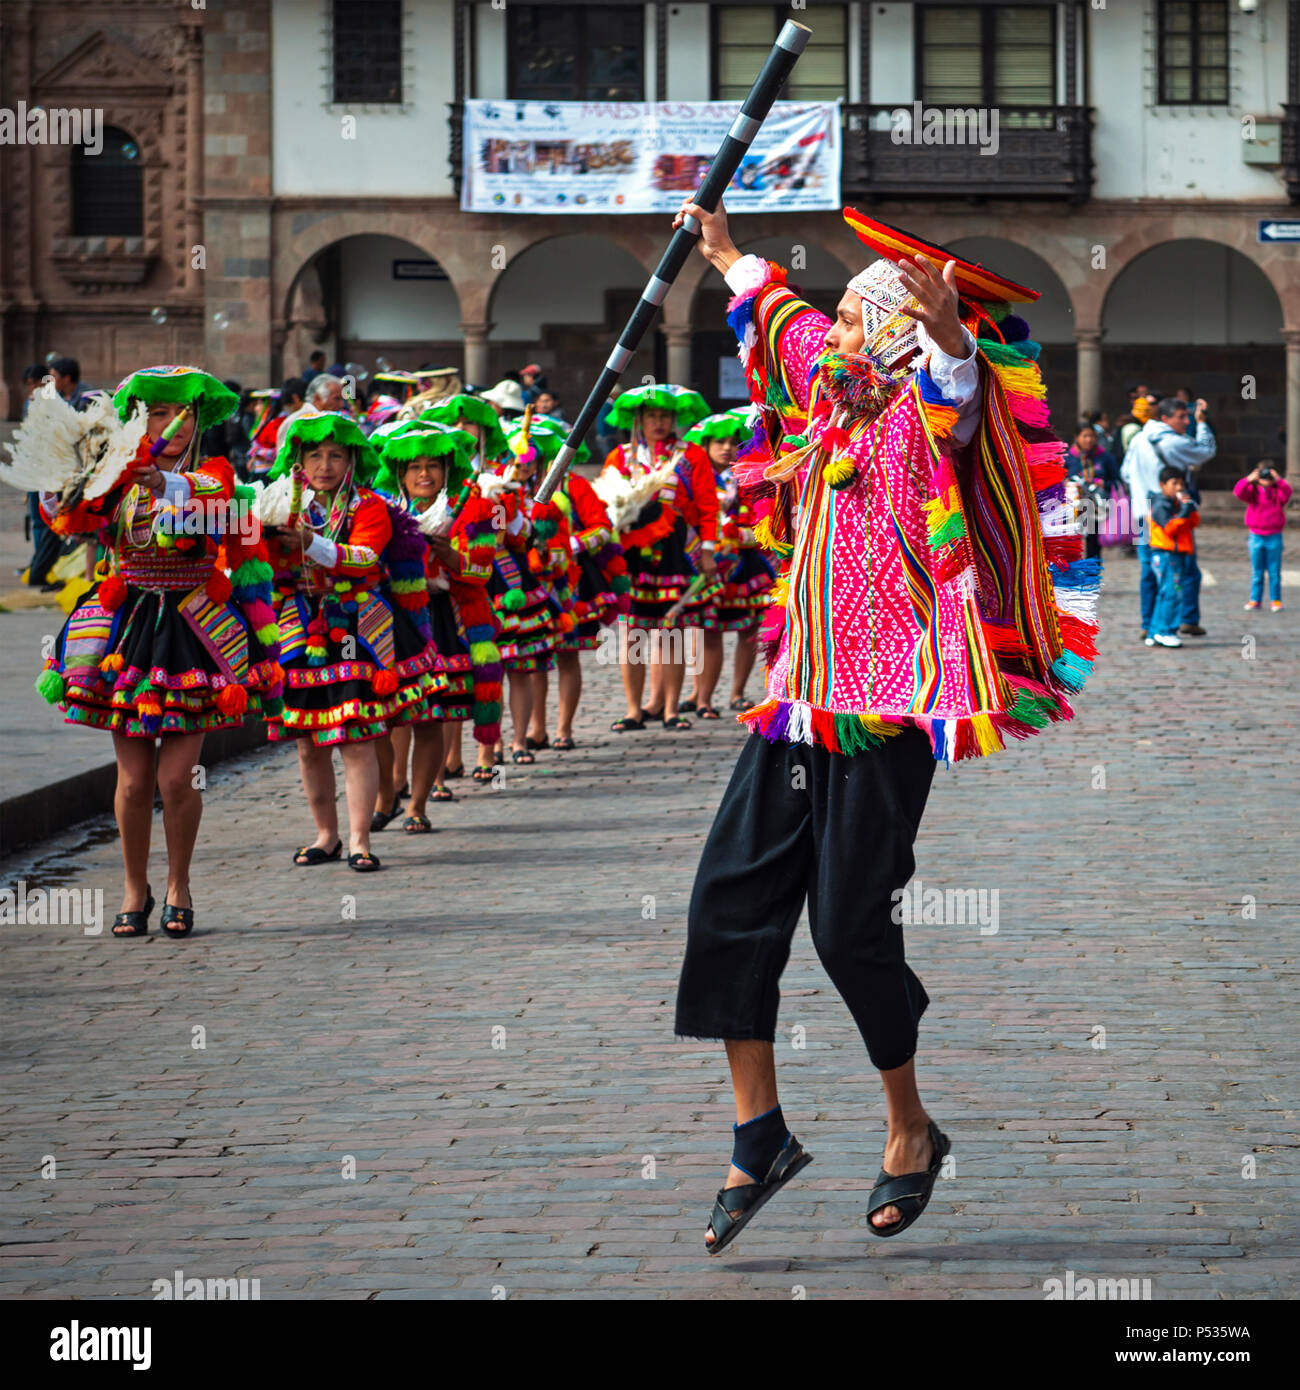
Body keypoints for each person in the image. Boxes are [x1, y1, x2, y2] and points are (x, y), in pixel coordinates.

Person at [670, 197, 1097, 1249]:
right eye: (846, 321)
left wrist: (949, 332)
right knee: (725, 906)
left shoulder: (916, 417)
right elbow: (779, 317)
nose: (838, 334)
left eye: (860, 324)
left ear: (894, 340)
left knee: (847, 927)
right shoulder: (827, 398)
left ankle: (909, 1130)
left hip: (892, 709)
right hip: (797, 702)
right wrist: (722, 247)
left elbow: (959, 389)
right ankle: (757, 1131)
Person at [33, 366, 283, 938]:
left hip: (193, 631)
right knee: (132, 781)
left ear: (199, 420)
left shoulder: (216, 476)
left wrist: (159, 484)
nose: (172, 424)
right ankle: (132, 887)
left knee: (178, 778)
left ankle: (179, 884)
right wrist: (61, 482)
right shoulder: (115, 476)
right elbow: (71, 519)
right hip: (128, 630)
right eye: (159, 414)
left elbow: (220, 510)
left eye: (182, 413)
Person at [261, 410, 442, 872]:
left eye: (335, 455)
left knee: (356, 736)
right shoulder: (278, 503)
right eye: (314, 455)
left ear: (352, 460)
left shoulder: (370, 507)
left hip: (359, 626)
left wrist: (308, 542)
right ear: (297, 460)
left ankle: (360, 839)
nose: (324, 465)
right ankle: (327, 834)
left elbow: (362, 559)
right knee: (306, 740)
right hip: (298, 625)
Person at [372, 420, 501, 823]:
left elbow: (482, 572)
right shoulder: (382, 510)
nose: (423, 474)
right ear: (399, 473)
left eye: (433, 466)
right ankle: (389, 791)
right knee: (394, 710)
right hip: (395, 618)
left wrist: (449, 556)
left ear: (448, 471)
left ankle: (418, 806)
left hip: (443, 615)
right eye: (414, 467)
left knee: (430, 715)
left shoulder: (472, 510)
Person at [596, 385, 719, 732]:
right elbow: (604, 505)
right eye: (652, 416)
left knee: (671, 632)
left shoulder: (691, 455)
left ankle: (669, 709)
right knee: (634, 632)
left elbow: (709, 507)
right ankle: (634, 708)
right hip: (632, 555)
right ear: (639, 419)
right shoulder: (621, 456)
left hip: (675, 554)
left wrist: (708, 549)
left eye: (665, 416)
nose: (659, 422)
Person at [519, 418, 630, 750]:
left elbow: (602, 528)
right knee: (536, 658)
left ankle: (564, 728)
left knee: (568, 656)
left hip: (573, 583)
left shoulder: (574, 486)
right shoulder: (510, 489)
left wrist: (570, 546)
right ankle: (535, 728)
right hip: (529, 581)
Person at [679, 408, 775, 717]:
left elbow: (767, 527)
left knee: (748, 629)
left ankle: (737, 692)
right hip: (708, 564)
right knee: (707, 630)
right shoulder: (696, 481)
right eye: (718, 442)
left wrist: (739, 536)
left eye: (732, 442)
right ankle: (700, 694)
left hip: (745, 568)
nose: (726, 448)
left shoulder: (752, 478)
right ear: (705, 447)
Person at [1121, 395, 1215, 640]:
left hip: (1143, 513)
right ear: (1165, 418)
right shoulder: (1173, 442)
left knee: (1149, 571)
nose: (1186, 422)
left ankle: (1148, 623)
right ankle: (1186, 619)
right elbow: (1207, 450)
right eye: (1181, 417)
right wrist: (1202, 422)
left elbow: (1125, 472)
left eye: (1187, 416)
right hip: (1171, 516)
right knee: (1185, 571)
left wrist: (1143, 493)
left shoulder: (1139, 439)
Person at [1145, 467, 1199, 649]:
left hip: (1174, 554)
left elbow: (1193, 523)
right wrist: (1184, 512)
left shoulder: (1175, 503)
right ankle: (1166, 631)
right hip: (1167, 554)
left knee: (1164, 594)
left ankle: (1154, 631)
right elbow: (1170, 528)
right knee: (1172, 594)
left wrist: (1189, 509)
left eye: (1181, 483)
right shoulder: (1161, 504)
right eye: (1174, 483)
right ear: (1163, 485)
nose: (1179, 487)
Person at [1234, 460, 1290, 611]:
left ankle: (1276, 600)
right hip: (1256, 535)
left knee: (1274, 572)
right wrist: (1248, 479)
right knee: (1257, 572)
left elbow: (1288, 493)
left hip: (1274, 535)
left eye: (1268, 474)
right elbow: (1238, 492)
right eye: (1263, 474)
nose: (1265, 478)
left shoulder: (1278, 492)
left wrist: (1278, 480)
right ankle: (1255, 599)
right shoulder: (1252, 492)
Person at [1065, 422, 1120, 562]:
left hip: (1097, 507)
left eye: (1092, 436)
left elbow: (1115, 480)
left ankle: (1092, 575)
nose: (1089, 440)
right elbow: (1057, 479)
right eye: (1085, 436)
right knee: (1071, 541)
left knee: (1093, 542)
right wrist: (1067, 484)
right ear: (1076, 437)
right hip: (1073, 507)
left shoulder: (1104, 457)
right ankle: (1072, 572)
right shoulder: (1067, 458)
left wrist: (1103, 483)